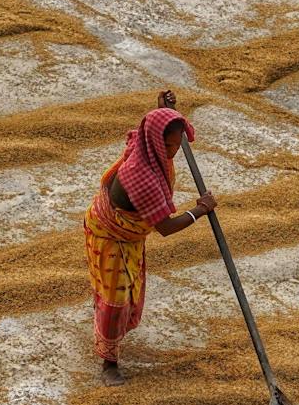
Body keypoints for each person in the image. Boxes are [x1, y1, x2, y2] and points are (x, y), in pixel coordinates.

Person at [83, 90, 216, 384]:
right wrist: (200, 210)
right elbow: (165, 228)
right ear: (156, 142)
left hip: (128, 235)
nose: (174, 152)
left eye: (177, 145)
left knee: (122, 293)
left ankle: (108, 338)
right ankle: (109, 363)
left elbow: (150, 125)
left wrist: (162, 111)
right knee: (116, 301)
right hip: (112, 235)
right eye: (169, 146)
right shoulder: (141, 179)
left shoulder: (143, 143)